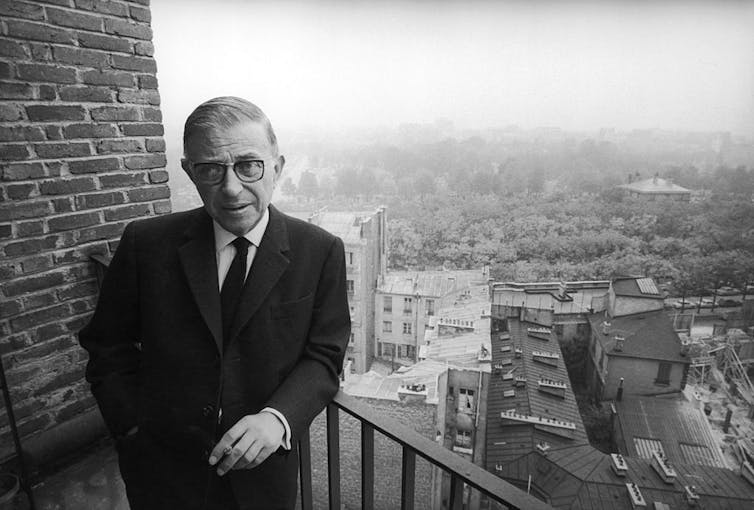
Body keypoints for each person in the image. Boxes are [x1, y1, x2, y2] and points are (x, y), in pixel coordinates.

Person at [79, 96, 351, 510]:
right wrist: (132, 429)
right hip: (162, 474)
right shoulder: (145, 244)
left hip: (262, 478)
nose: (230, 188)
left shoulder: (320, 251)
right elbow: (106, 346)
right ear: (190, 172)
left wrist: (277, 418)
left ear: (276, 168)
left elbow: (325, 354)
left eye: (248, 165)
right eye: (210, 169)